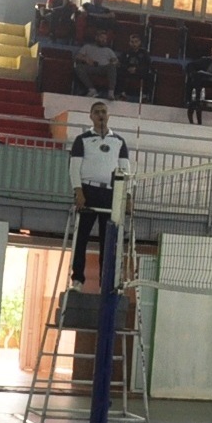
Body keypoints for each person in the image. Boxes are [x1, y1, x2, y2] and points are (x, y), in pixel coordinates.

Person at [68, 101, 130, 289]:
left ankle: (106, 283)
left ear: (108, 116)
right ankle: (78, 279)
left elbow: (126, 169)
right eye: (97, 112)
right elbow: (74, 167)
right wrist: (78, 190)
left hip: (110, 193)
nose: (101, 115)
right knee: (81, 237)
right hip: (88, 191)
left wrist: (127, 196)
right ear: (91, 116)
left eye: (104, 112)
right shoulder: (82, 139)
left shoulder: (119, 141)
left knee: (108, 240)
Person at [74, 28, 118, 98]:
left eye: (105, 39)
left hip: (104, 68)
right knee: (78, 67)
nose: (104, 40)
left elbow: (115, 61)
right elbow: (77, 57)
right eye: (102, 38)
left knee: (112, 67)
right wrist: (86, 59)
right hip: (91, 67)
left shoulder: (108, 50)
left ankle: (111, 93)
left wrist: (113, 62)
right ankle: (92, 90)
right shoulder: (87, 47)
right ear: (96, 38)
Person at [117, 32, 153, 101]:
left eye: (136, 42)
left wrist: (137, 69)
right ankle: (122, 93)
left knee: (150, 75)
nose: (134, 44)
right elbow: (121, 63)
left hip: (139, 72)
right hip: (127, 71)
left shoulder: (144, 53)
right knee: (119, 72)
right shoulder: (126, 52)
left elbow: (148, 65)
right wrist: (128, 68)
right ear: (129, 43)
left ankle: (145, 96)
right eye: (132, 42)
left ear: (139, 42)